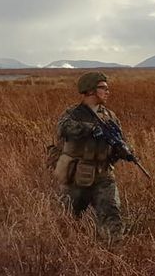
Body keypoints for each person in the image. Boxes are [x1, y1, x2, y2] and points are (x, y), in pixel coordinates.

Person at [53, 72, 129, 244]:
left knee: (112, 216)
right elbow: (63, 129)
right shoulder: (73, 113)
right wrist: (91, 129)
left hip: (104, 176)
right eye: (103, 88)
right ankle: (67, 256)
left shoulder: (110, 116)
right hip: (76, 177)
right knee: (67, 220)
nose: (108, 92)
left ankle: (114, 257)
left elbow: (120, 140)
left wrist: (124, 150)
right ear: (90, 91)